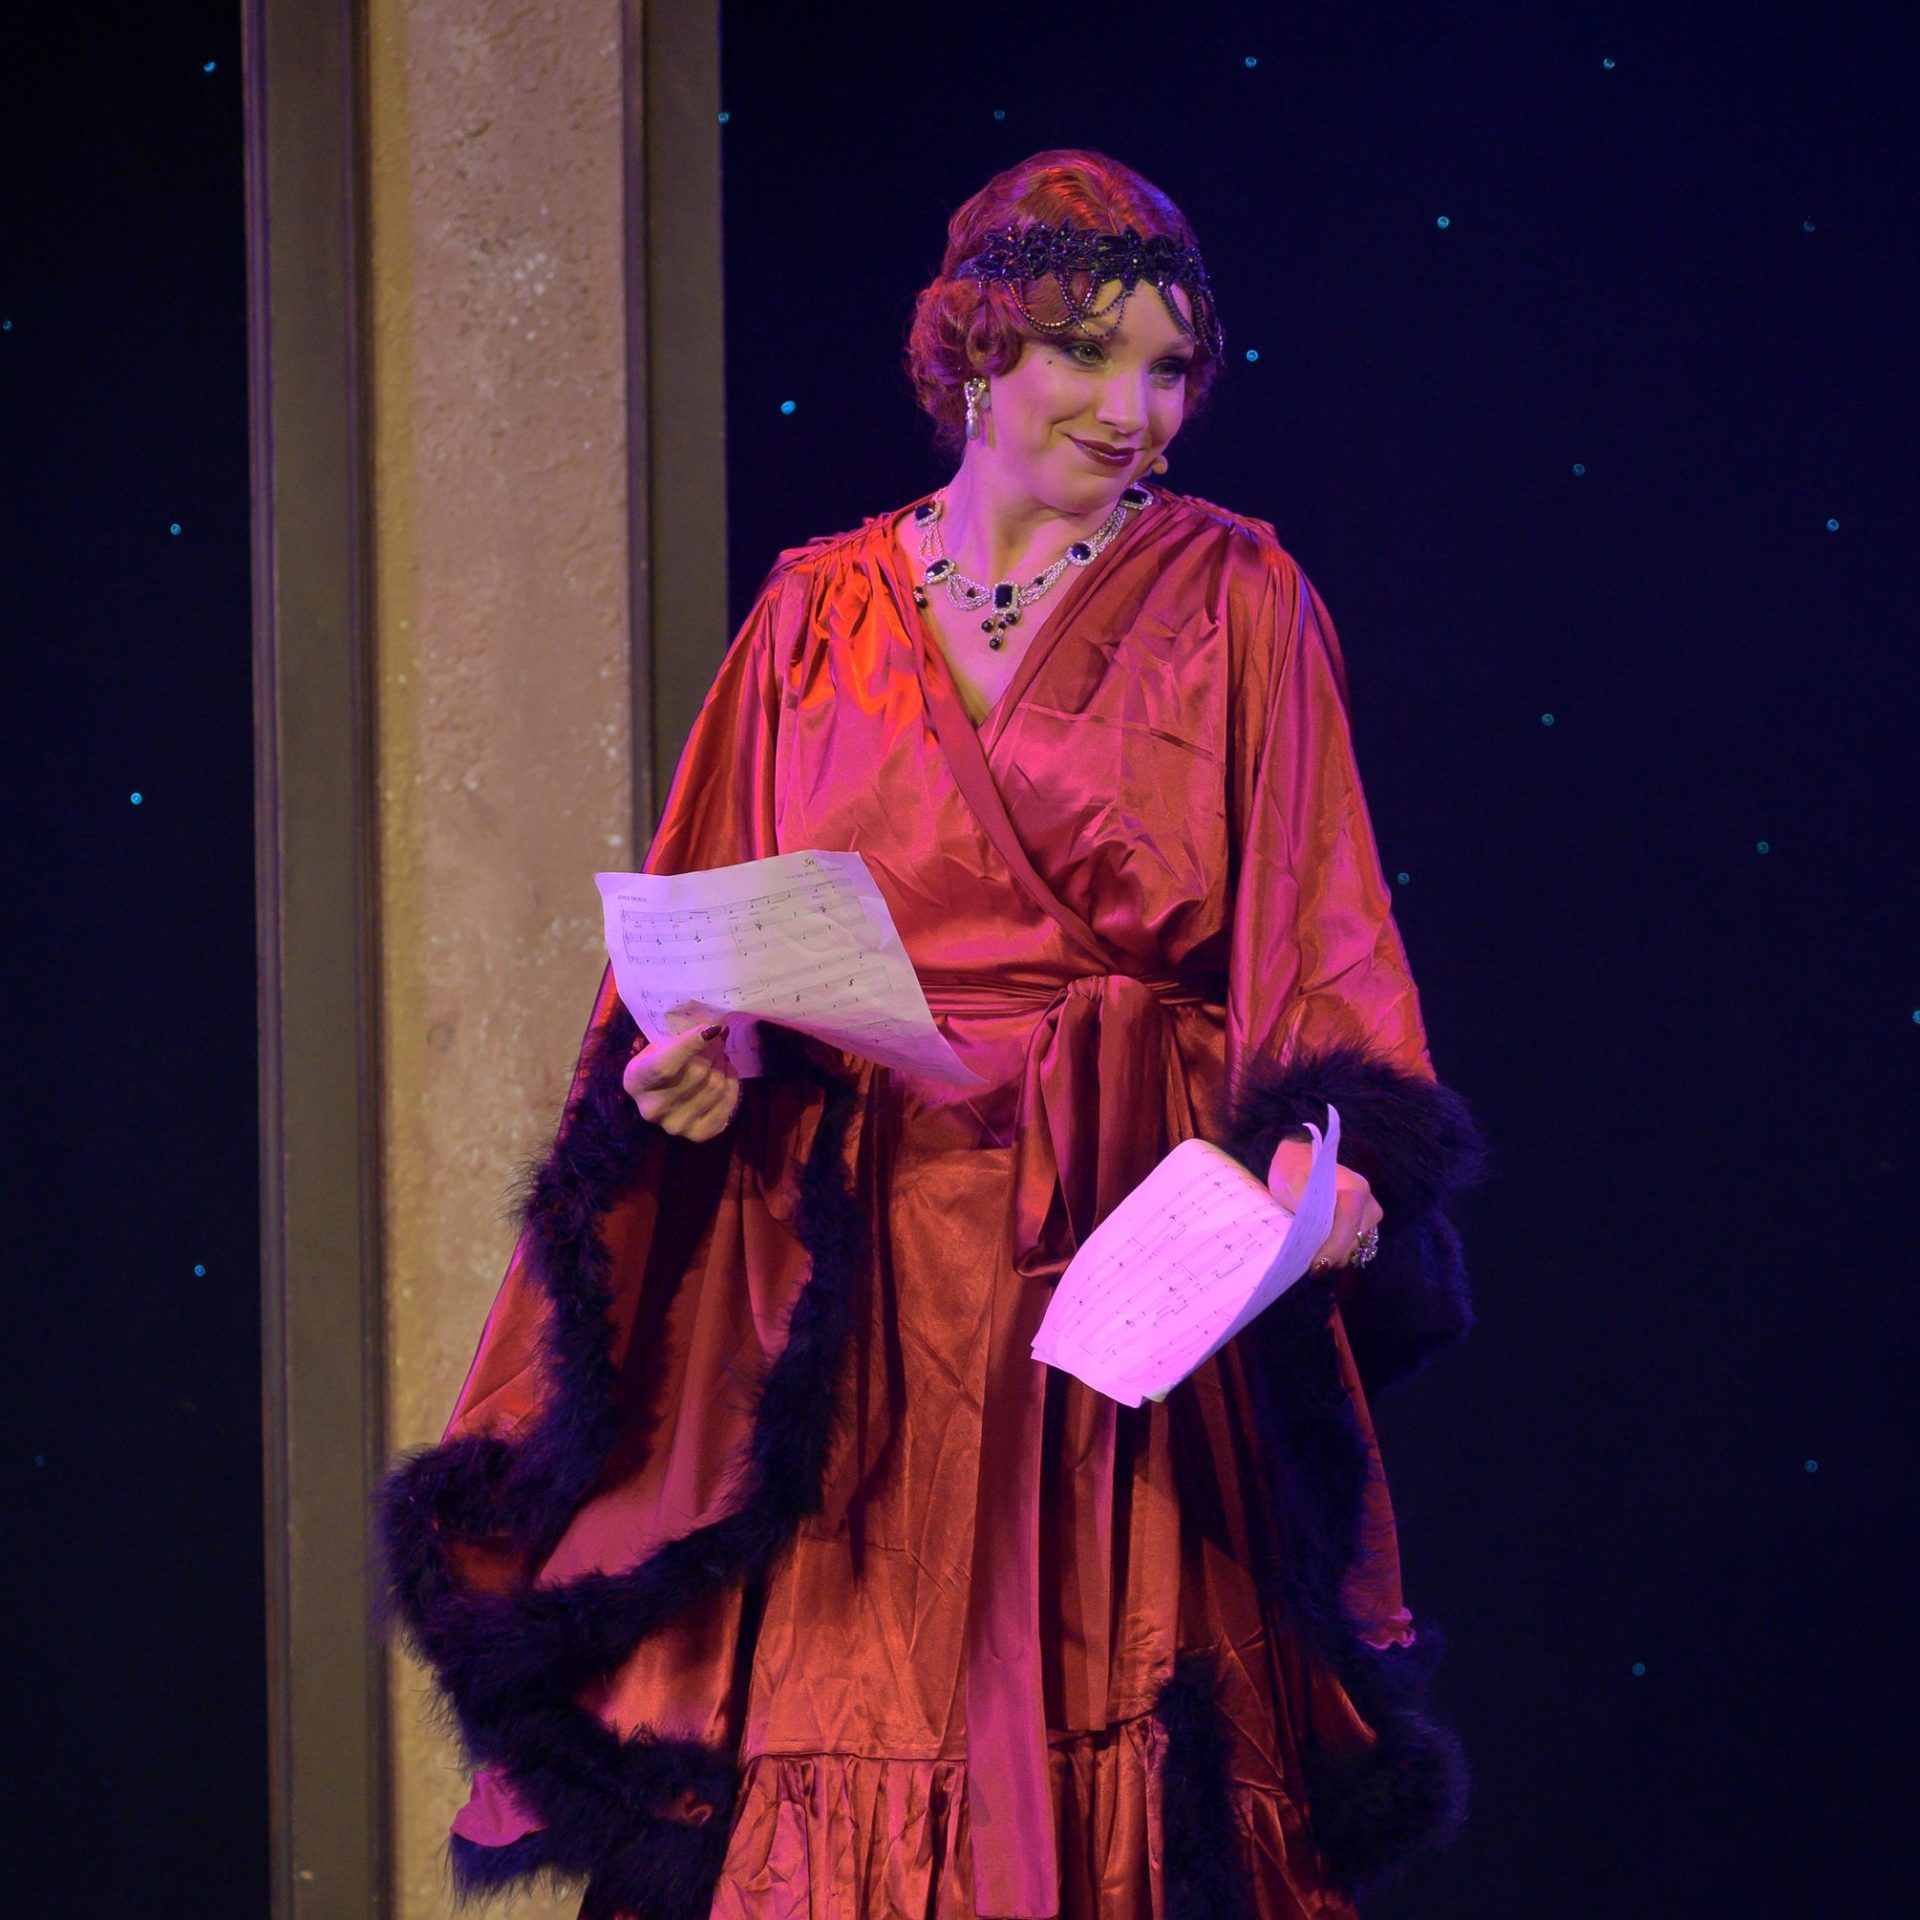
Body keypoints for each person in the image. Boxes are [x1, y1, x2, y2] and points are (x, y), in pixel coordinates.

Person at [379, 149, 1490, 1920]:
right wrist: (701, 1063)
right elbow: (717, 939)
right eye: (1088, 355)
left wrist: (1326, 1170)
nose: (1137, 411)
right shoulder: (813, 615)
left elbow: (1322, 927)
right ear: (977, 348)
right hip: (864, 1273)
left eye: (1174, 368)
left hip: (1115, 1244)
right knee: (845, 1687)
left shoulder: (1238, 599)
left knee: (1101, 1688)